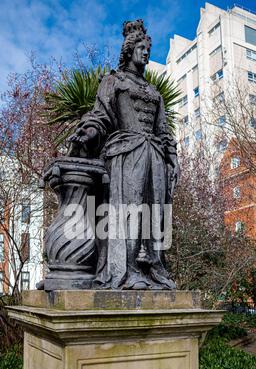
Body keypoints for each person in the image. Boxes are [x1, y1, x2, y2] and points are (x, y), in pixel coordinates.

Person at [68, 19, 179, 289]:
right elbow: (100, 116)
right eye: (141, 48)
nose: (146, 53)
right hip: (126, 155)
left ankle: (152, 268)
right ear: (129, 50)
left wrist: (172, 159)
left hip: (154, 156)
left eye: (148, 49)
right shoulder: (113, 81)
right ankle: (127, 271)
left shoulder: (154, 92)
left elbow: (163, 130)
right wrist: (89, 133)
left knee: (154, 214)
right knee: (128, 214)